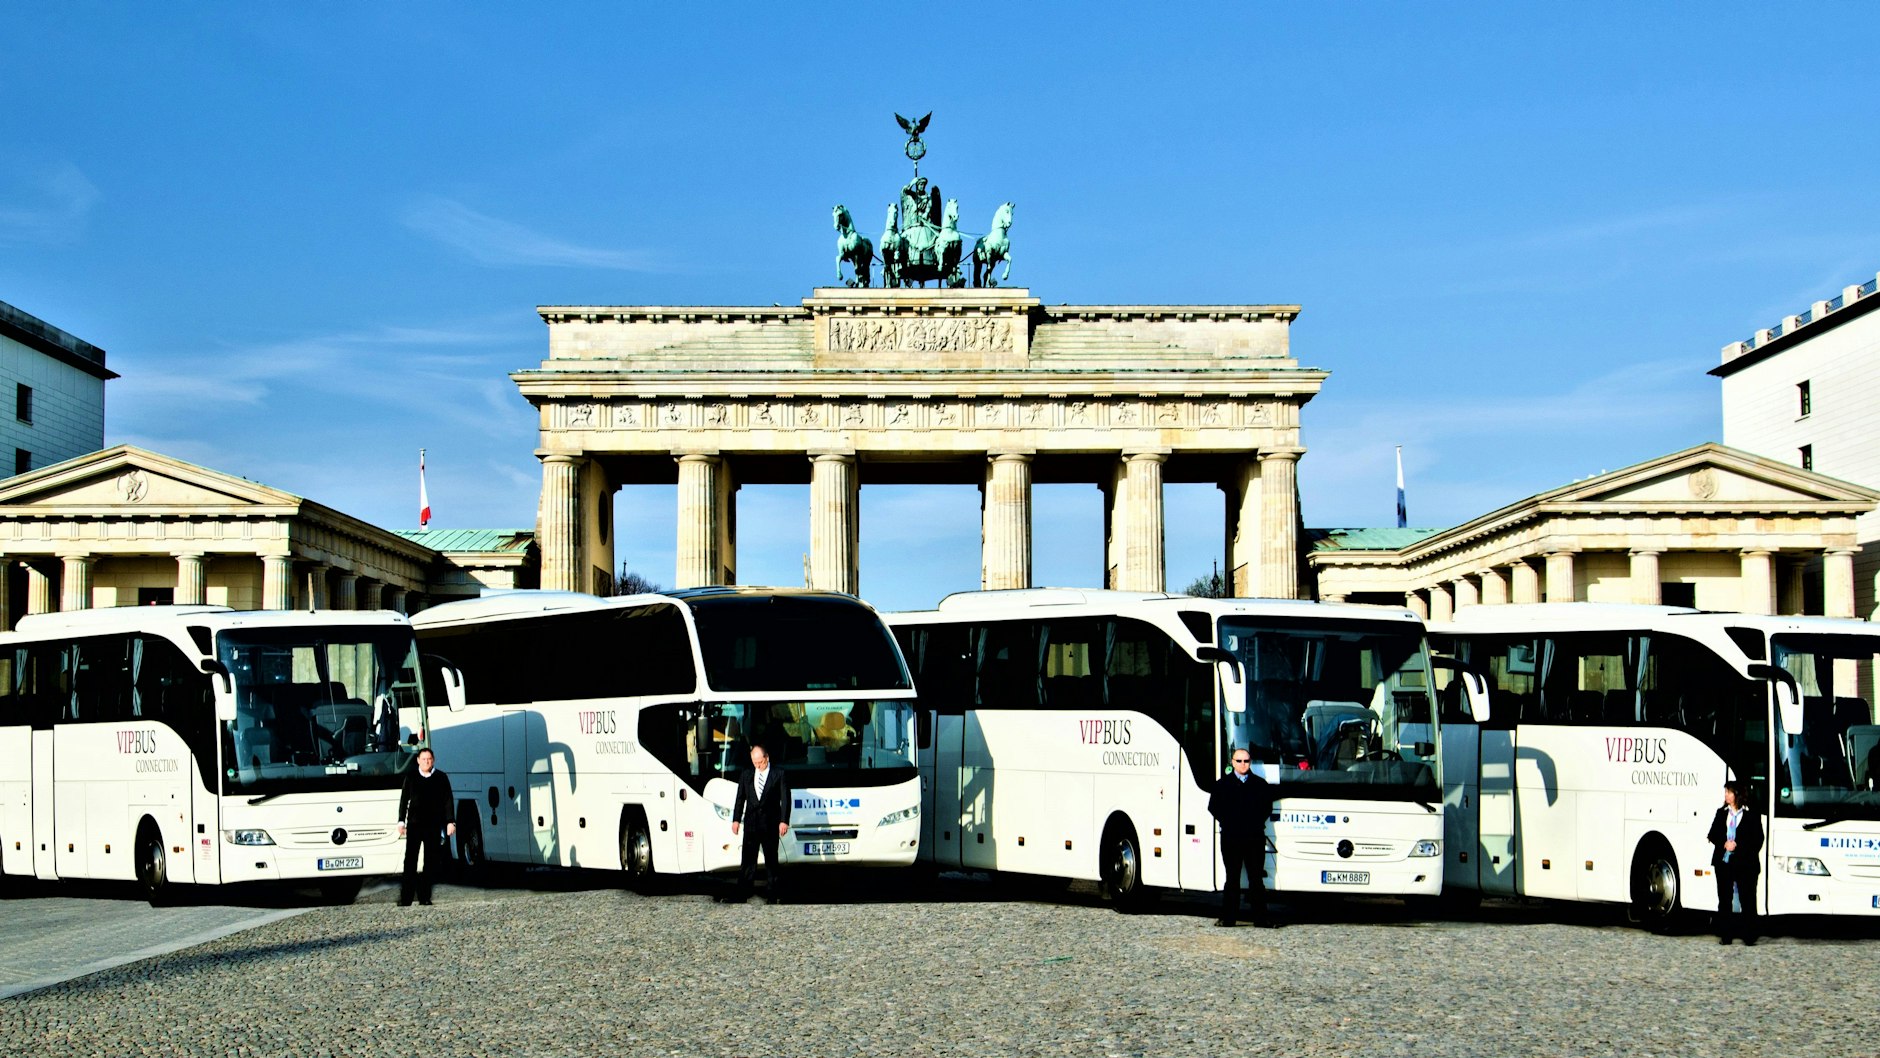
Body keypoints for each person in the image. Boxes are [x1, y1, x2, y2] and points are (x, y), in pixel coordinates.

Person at [1209, 747, 1276, 927]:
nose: (1243, 764)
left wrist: (1254, 822)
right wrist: (1229, 821)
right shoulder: (1222, 785)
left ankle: (1261, 919)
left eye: (1246, 761)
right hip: (1231, 837)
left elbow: (1266, 808)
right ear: (1232, 762)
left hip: (1254, 837)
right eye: (1239, 761)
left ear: (1250, 762)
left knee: (1256, 879)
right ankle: (1228, 918)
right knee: (1232, 878)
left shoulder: (1260, 785)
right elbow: (1213, 807)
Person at [730, 744, 789, 903]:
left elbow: (786, 799)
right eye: (754, 762)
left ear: (767, 758)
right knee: (748, 860)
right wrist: (736, 819)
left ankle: (773, 894)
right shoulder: (746, 774)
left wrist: (784, 821)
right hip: (751, 824)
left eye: (760, 762)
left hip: (770, 823)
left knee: (771, 861)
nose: (758, 765)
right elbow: (740, 798)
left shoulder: (779, 774)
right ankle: (743, 892)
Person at [397, 747, 456, 906]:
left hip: (433, 825)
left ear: (433, 760)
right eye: (423, 759)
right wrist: (401, 821)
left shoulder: (441, 777)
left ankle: (424, 897)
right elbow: (404, 800)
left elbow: (448, 801)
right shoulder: (411, 777)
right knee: (410, 861)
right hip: (415, 825)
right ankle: (406, 898)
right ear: (418, 760)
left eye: (429, 759)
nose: (426, 762)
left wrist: (451, 821)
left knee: (430, 862)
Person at [1706, 780, 1762, 945]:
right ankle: (1726, 934)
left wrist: (1738, 845)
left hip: (1745, 863)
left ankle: (1749, 935)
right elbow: (1712, 834)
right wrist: (1725, 843)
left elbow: (1758, 838)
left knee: (1748, 899)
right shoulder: (1721, 813)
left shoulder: (1751, 814)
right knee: (1724, 899)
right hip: (1724, 862)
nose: (1726, 795)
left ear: (1737, 794)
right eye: (1725, 792)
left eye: (1729, 792)